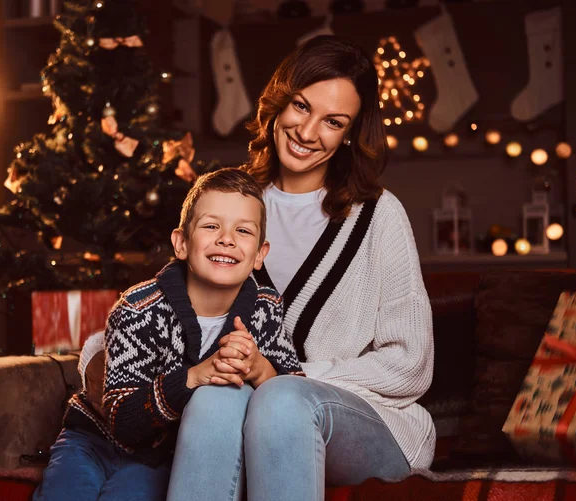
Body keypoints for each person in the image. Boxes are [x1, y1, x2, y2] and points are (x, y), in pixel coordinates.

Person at [167, 35, 435, 501]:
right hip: (254, 407)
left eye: (333, 121)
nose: (308, 132)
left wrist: (296, 376)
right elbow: (164, 304)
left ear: (350, 132)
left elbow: (410, 363)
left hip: (373, 423)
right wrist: (98, 353)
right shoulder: (231, 202)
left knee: (282, 399)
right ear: (278, 101)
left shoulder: (378, 215)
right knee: (212, 399)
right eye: (300, 106)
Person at [101, 168, 303, 488]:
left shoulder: (266, 307)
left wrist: (259, 367)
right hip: (102, 445)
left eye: (243, 231)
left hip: (177, 457)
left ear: (259, 256)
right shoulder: (139, 309)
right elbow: (121, 422)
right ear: (181, 243)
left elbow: (296, 396)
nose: (227, 239)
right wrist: (194, 376)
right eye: (211, 226)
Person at [33, 331, 170, 501]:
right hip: (86, 439)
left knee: (132, 493)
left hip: (148, 455)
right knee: (64, 487)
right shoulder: (79, 432)